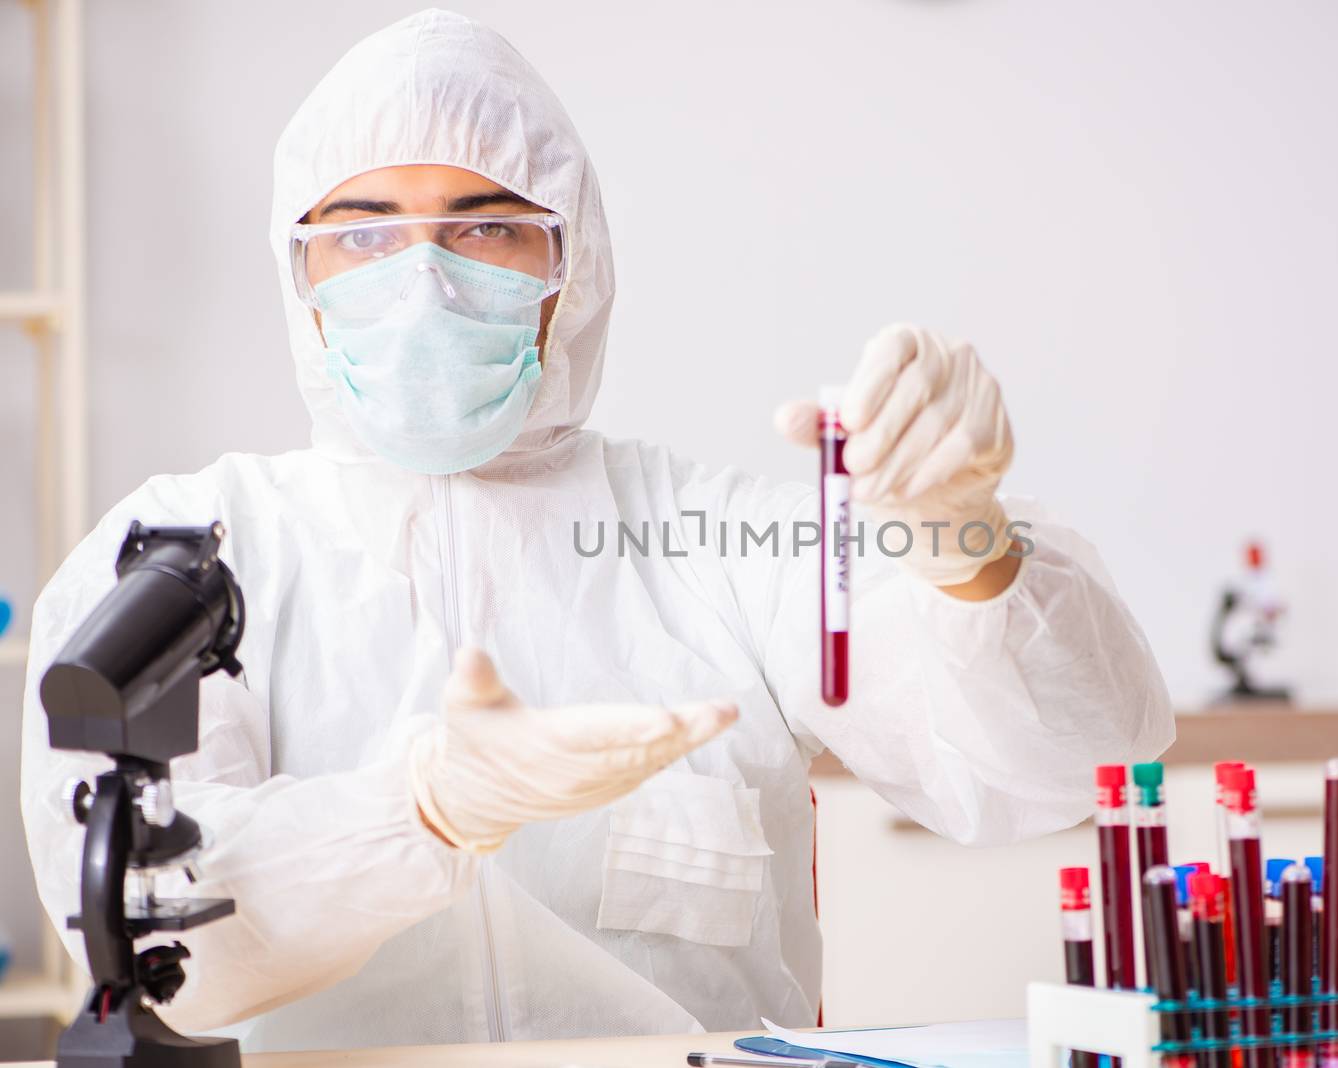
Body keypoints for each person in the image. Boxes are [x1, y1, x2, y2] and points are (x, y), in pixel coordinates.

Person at [19, 8, 1173, 1053]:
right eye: (363, 235)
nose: (421, 283)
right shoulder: (190, 552)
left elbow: (1061, 770)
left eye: (485, 230)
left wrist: (965, 547)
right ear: (299, 273)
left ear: (572, 265)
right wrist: (415, 812)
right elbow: (151, 951)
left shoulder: (711, 539)